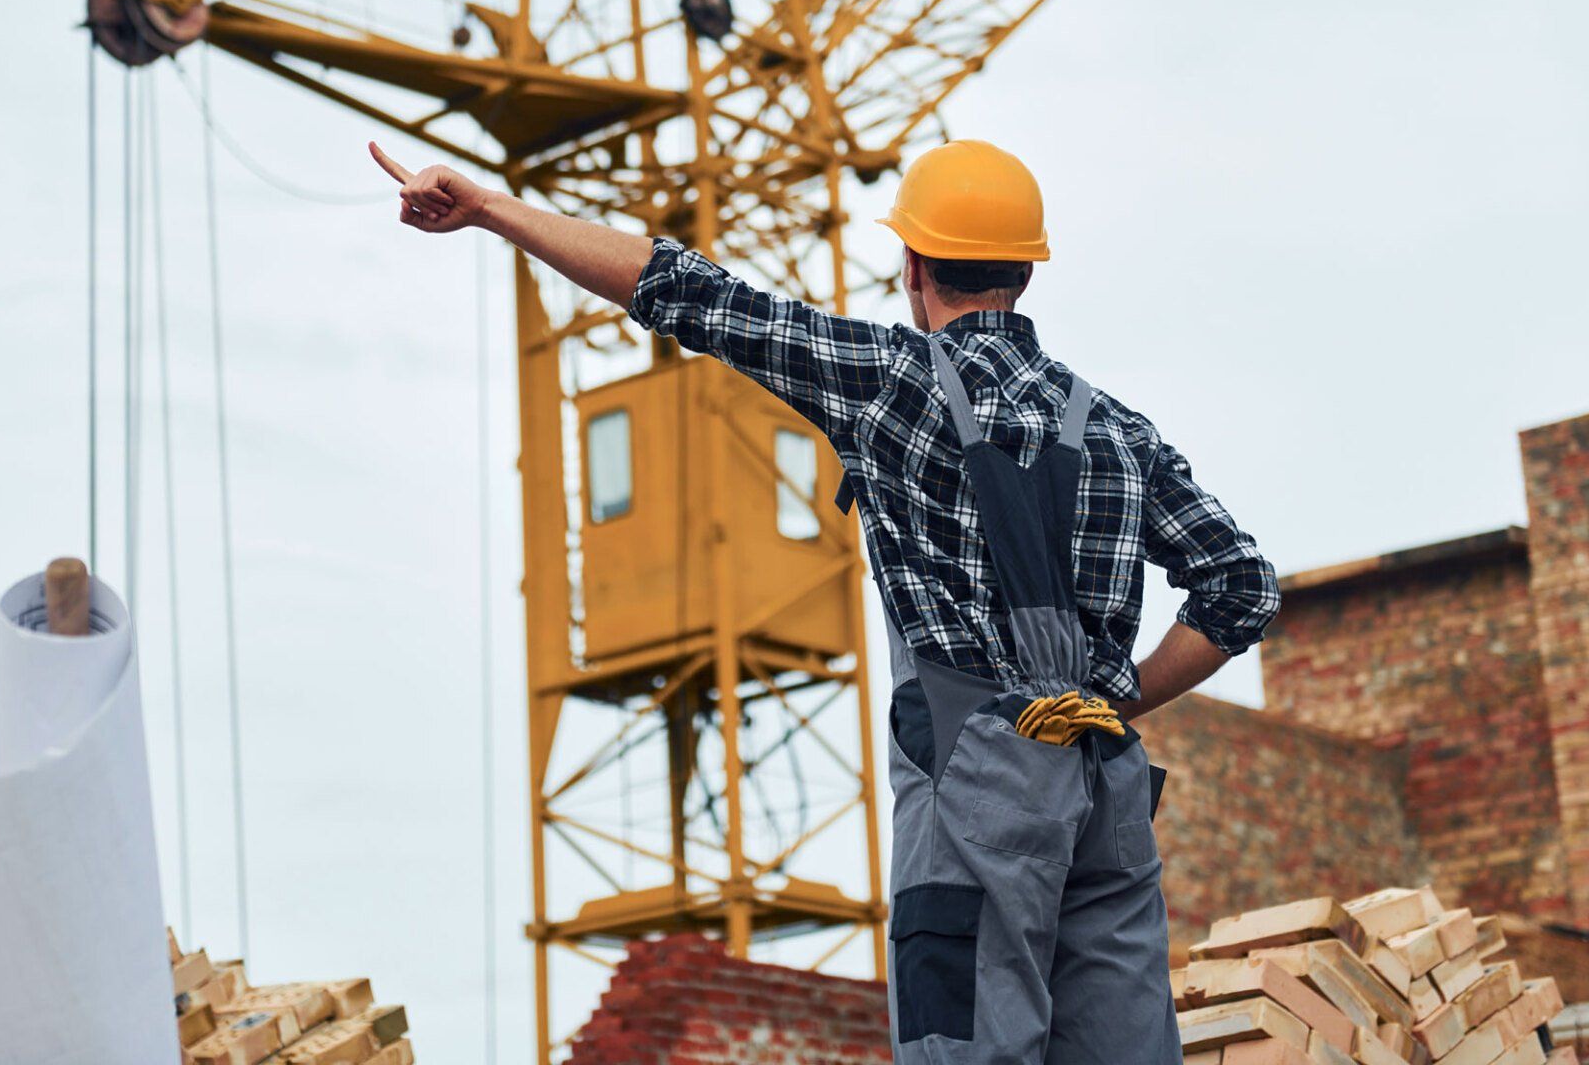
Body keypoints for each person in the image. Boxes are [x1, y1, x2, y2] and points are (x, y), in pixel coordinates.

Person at [369, 137, 1278, 1064]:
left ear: (914, 266)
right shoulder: (1118, 430)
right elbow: (1241, 588)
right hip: (1105, 789)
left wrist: (491, 208)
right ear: (1026, 275)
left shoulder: (889, 384)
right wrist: (1115, 700)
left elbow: (688, 292)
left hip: (978, 784)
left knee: (965, 1044)